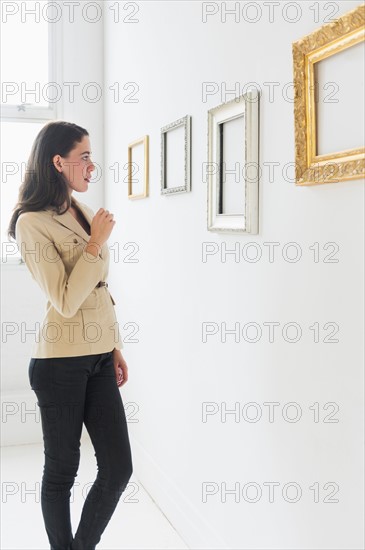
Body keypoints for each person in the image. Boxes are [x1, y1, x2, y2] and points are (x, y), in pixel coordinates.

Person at [8, 120, 133, 550]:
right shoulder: (31, 223)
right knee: (62, 471)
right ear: (58, 162)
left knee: (118, 468)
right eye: (84, 157)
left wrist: (113, 345)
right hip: (59, 362)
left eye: (91, 157)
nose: (91, 165)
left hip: (99, 354)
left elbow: (101, 291)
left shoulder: (78, 209)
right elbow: (64, 298)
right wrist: (95, 245)